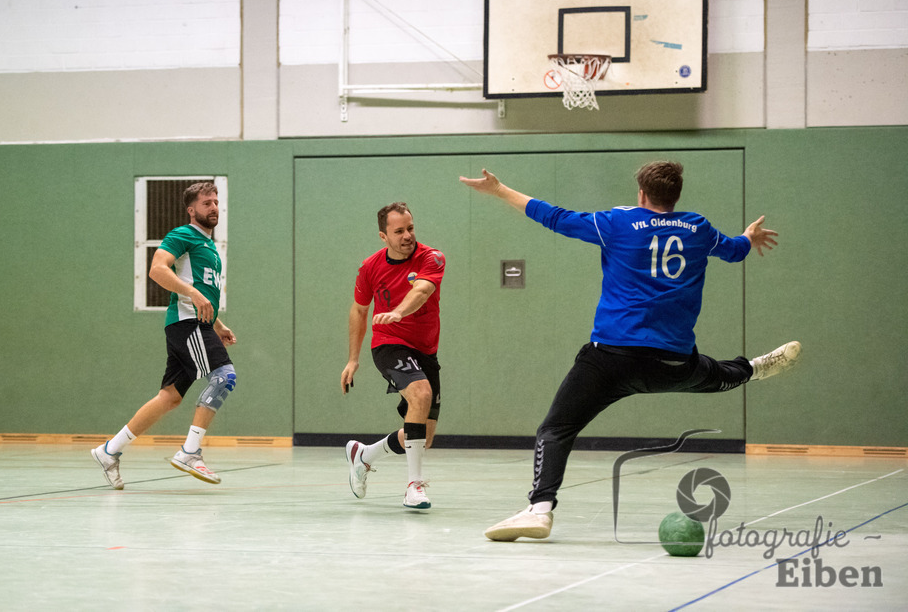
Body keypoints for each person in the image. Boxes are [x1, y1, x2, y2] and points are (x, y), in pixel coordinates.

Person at [459, 163, 801, 541]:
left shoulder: (618, 222)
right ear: (676, 196)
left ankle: (540, 509)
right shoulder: (699, 228)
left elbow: (555, 218)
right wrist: (748, 237)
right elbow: (736, 252)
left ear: (641, 194)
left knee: (556, 429)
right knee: (716, 374)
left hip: (611, 359)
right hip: (672, 362)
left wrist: (500, 190)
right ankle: (752, 369)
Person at [92, 181, 238, 489]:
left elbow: (201, 295)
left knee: (169, 397)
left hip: (193, 323)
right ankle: (190, 452)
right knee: (224, 376)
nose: (213, 207)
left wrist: (217, 324)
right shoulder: (183, 235)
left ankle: (109, 451)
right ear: (191, 210)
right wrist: (193, 294)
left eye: (215, 201)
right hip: (186, 324)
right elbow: (157, 270)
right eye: (206, 203)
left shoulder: (210, 248)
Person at [340, 202, 446, 509]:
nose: (407, 236)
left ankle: (364, 454)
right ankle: (414, 487)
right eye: (398, 231)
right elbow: (359, 310)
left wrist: (398, 311)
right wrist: (352, 359)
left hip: (425, 348)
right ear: (383, 236)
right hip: (388, 343)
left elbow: (422, 291)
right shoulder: (370, 267)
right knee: (421, 393)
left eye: (410, 228)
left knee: (422, 437)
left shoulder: (432, 257)